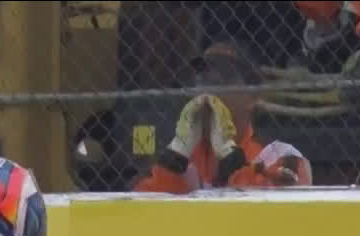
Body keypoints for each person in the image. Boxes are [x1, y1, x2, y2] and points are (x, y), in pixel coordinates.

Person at [134, 40, 313, 193]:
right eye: (202, 81)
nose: (207, 92)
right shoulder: (180, 157)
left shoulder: (280, 156)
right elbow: (143, 210)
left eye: (220, 81)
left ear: (252, 96)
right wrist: (175, 159)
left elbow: (269, 214)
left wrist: (229, 157)